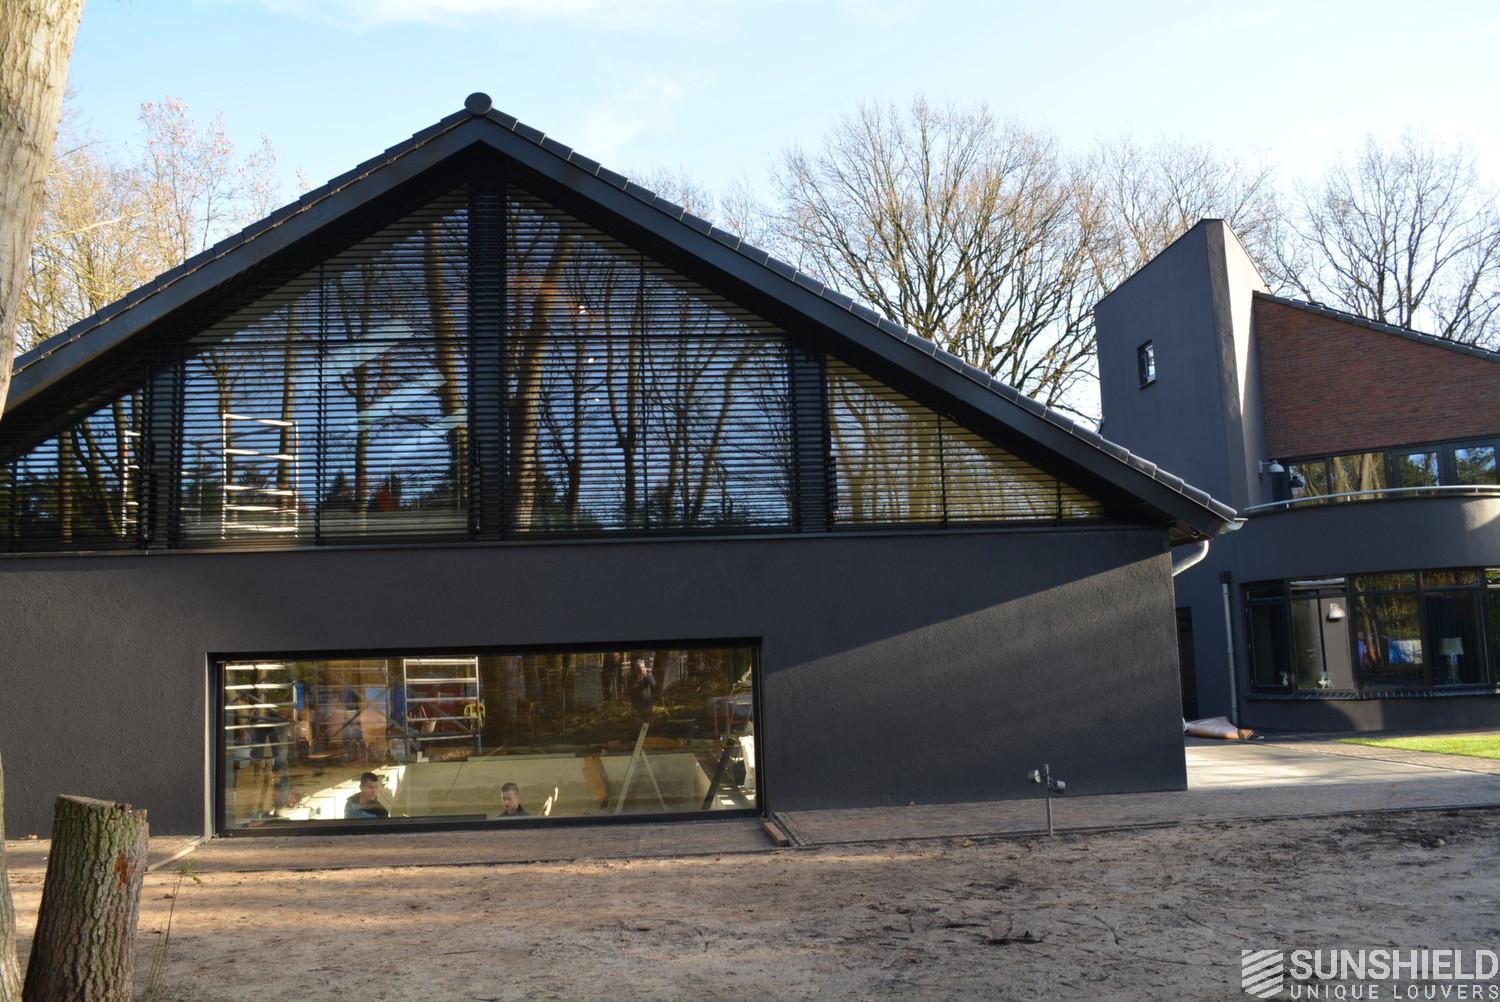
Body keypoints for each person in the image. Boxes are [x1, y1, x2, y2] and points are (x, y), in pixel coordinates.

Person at [627, 657, 657, 724]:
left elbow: (653, 684)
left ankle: (648, 729)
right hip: (637, 705)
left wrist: (646, 675)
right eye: (640, 668)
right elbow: (632, 690)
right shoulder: (632, 678)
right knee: (638, 723)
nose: (642, 670)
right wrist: (639, 678)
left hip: (647, 704)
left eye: (643, 667)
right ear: (636, 669)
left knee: (648, 723)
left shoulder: (649, 675)